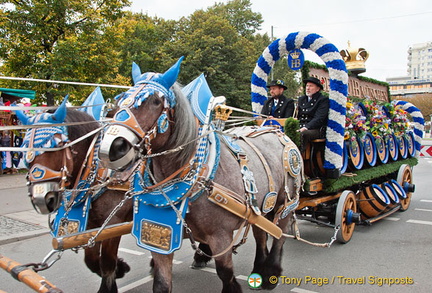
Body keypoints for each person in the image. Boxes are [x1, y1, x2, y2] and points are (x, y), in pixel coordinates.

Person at [297, 76, 329, 153]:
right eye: (307, 86)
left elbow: (319, 118)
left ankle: (299, 155)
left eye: (311, 86)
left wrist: (306, 127)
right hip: (302, 126)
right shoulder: (302, 99)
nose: (308, 88)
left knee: (303, 134)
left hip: (316, 129)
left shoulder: (322, 100)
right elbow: (299, 116)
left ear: (318, 89)